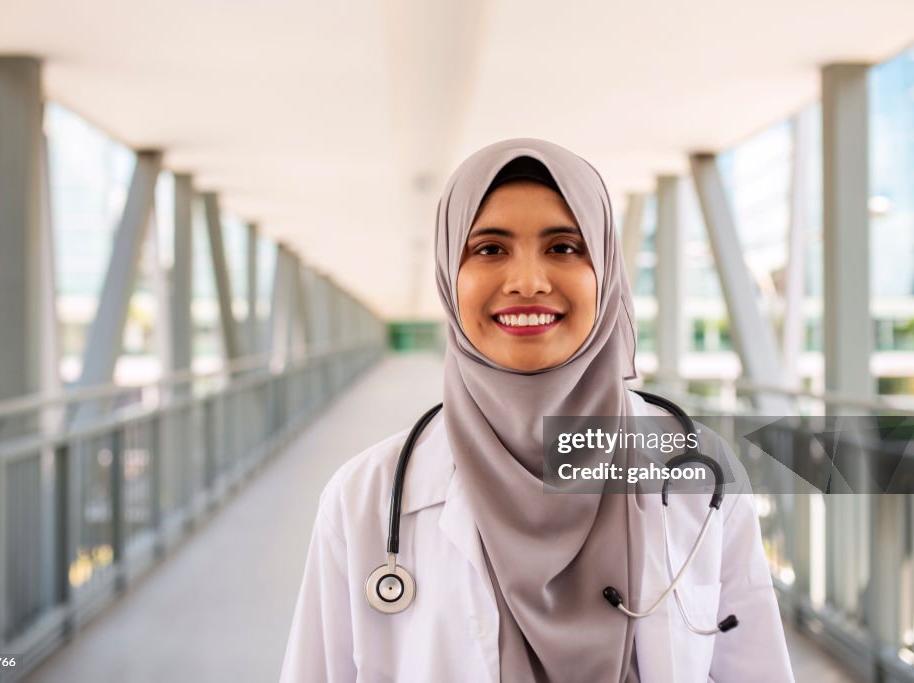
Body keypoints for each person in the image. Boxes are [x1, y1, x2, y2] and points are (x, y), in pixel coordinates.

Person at [279, 138, 794, 682]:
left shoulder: (692, 470)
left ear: (607, 273)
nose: (528, 282)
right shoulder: (365, 497)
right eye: (490, 249)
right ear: (448, 279)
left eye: (565, 248)